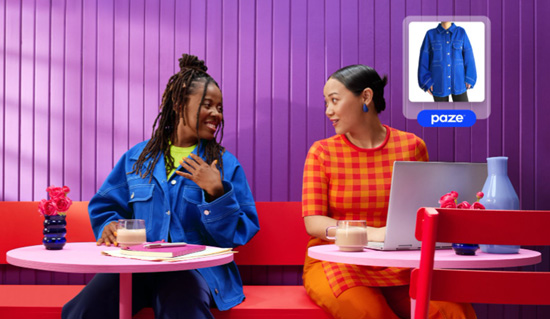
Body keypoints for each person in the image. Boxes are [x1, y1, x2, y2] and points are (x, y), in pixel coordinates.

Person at [62, 54, 260, 319]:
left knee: (182, 310)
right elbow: (106, 206)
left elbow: (238, 234)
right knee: (82, 310)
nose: (216, 114)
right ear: (179, 104)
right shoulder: (137, 158)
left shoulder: (224, 164)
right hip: (135, 267)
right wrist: (109, 224)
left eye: (220, 107)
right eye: (208, 105)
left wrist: (217, 193)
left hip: (194, 270)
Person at [302, 64, 476, 319]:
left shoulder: (412, 147)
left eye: (335, 100)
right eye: (327, 102)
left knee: (454, 313)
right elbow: (314, 223)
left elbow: (423, 214)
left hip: (402, 263)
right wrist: (373, 233)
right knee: (369, 313)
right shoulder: (322, 152)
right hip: (340, 262)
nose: (329, 111)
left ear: (366, 97)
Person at [418, 21, 477, 102]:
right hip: (439, 82)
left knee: (463, 112)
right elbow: (424, 59)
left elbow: (469, 56)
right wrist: (426, 82)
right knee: (442, 113)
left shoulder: (461, 32)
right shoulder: (430, 34)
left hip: (459, 82)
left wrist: (470, 77)